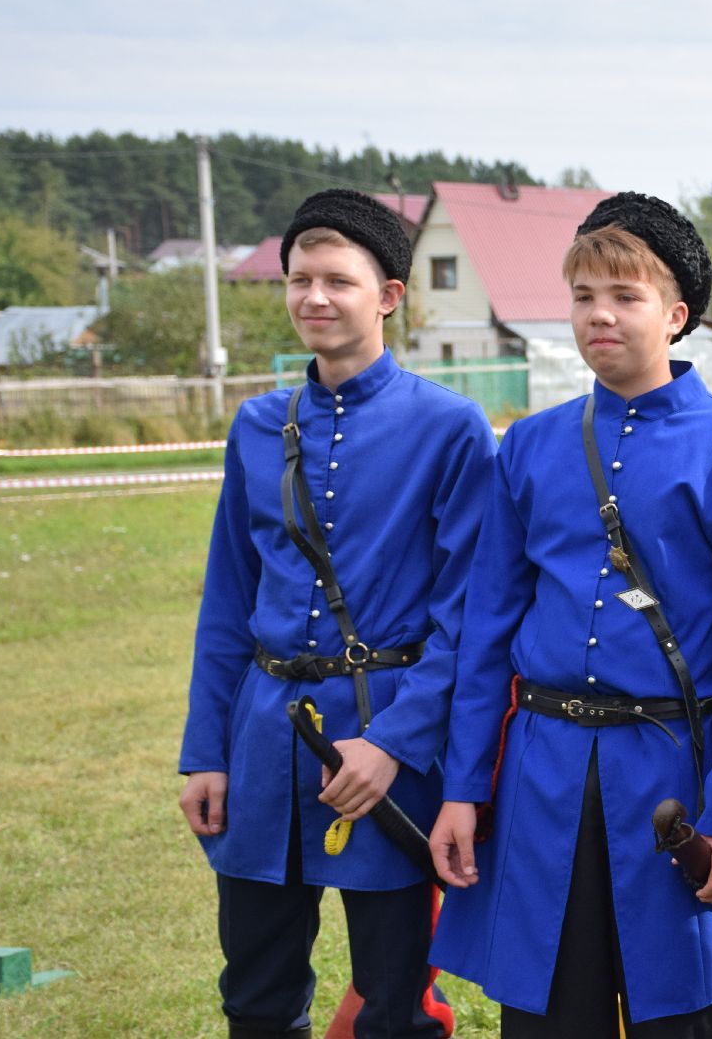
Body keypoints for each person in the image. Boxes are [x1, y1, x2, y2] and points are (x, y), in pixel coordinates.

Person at [427, 193, 712, 1038]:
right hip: (542, 779)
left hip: (675, 783)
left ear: (675, 314)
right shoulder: (528, 446)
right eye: (585, 296)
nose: (600, 315)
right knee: (551, 1017)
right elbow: (485, 637)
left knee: (690, 1016)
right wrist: (462, 789)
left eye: (624, 297)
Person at [178, 189, 497, 1038]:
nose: (314, 298)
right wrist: (206, 753)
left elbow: (465, 618)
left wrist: (394, 744)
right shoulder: (254, 427)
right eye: (298, 280)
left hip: (387, 745)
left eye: (337, 281)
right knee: (256, 991)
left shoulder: (453, 429)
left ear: (389, 294)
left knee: (396, 1003)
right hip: (262, 745)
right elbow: (227, 604)